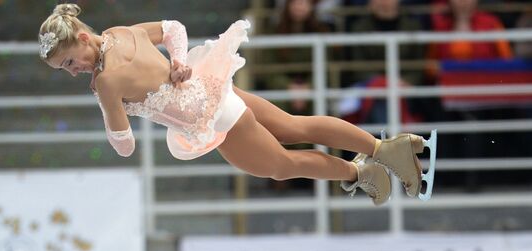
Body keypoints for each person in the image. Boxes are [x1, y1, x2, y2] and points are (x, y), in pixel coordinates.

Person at [39, 3, 436, 205]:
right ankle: (384, 149)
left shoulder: (105, 81)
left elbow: (124, 146)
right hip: (215, 89)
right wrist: (178, 61)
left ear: (83, 38)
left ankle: (362, 170)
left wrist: (107, 105)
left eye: (70, 62)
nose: (74, 71)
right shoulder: (119, 32)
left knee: (282, 165)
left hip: (212, 119)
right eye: (65, 70)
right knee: (295, 127)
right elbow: (173, 28)